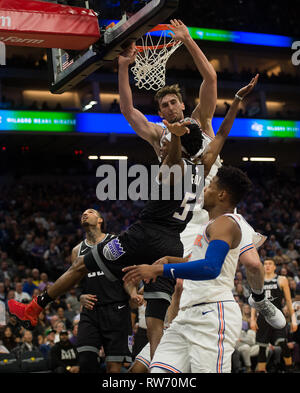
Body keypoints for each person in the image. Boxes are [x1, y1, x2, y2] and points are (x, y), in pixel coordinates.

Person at [8, 76, 258, 361]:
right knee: (155, 319)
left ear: (176, 141)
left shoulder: (171, 165)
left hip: (141, 237)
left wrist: (174, 135)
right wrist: (237, 101)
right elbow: (223, 132)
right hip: (171, 245)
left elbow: (174, 158)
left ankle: (34, 309)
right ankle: (161, 367)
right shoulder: (205, 163)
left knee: (82, 264)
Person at [122, 166, 286, 373]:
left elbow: (210, 268)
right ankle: (260, 299)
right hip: (187, 316)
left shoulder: (225, 224)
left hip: (213, 315)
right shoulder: (212, 225)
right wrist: (170, 260)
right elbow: (199, 260)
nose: (204, 190)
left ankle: (260, 300)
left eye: (209, 186)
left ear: (221, 194)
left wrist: (160, 270)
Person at [72, 208, 141, 373]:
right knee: (86, 361)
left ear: (100, 220)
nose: (85, 214)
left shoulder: (115, 242)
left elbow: (127, 276)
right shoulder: (77, 250)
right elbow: (75, 283)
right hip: (90, 311)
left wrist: (133, 293)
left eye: (90, 212)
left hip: (116, 310)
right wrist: (80, 297)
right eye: (83, 212)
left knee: (114, 368)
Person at [250, 259, 298, 372]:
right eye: (265, 264)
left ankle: (289, 368)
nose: (267, 266)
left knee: (283, 343)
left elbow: (288, 300)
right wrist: (252, 319)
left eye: (269, 264)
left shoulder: (281, 279)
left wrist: (294, 319)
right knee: (262, 347)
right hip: (262, 317)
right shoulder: (258, 279)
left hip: (277, 315)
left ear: (274, 267)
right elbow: (254, 301)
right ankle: (261, 370)